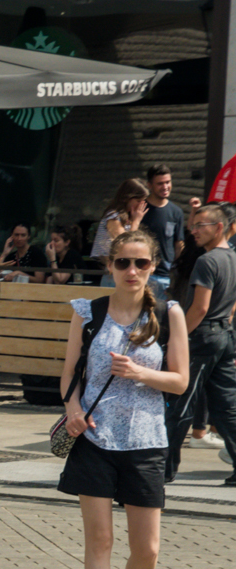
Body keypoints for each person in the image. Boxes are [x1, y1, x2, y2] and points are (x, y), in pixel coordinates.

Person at [55, 228, 189, 569]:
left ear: (153, 267)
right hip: (95, 438)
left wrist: (140, 373)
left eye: (141, 263)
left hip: (147, 441)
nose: (132, 271)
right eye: (123, 263)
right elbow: (70, 375)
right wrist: (72, 408)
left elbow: (180, 380)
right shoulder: (89, 312)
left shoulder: (168, 314)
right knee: (100, 541)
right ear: (110, 266)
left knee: (147, 549)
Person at [163, 203, 236, 479]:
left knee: (181, 402)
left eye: (200, 226)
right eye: (193, 226)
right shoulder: (233, 258)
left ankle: (164, 470)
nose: (194, 231)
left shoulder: (207, 261)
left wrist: (177, 338)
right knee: (227, 406)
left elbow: (200, 307)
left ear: (219, 227)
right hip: (224, 336)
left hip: (203, 335)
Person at [142, 164, 187, 299]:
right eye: (160, 183)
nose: (165, 187)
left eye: (168, 182)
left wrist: (175, 270)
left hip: (166, 276)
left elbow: (179, 244)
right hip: (143, 274)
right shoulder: (141, 208)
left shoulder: (176, 211)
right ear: (149, 185)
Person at [92, 178, 150, 268]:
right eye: (138, 201)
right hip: (110, 268)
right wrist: (136, 222)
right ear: (126, 198)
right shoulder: (113, 216)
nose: (141, 205)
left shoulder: (129, 218)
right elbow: (125, 243)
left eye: (144, 201)